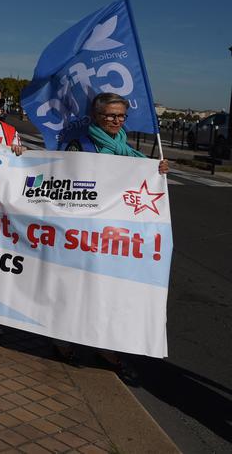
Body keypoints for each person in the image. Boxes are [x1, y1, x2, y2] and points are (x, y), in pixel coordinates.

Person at [54, 91, 168, 383]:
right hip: (82, 235)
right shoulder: (80, 144)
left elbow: (141, 168)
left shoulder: (122, 145)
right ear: (95, 116)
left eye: (121, 116)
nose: (117, 121)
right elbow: (66, 185)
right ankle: (62, 340)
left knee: (108, 294)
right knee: (77, 290)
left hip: (113, 238)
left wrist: (158, 168)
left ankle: (104, 347)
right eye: (110, 115)